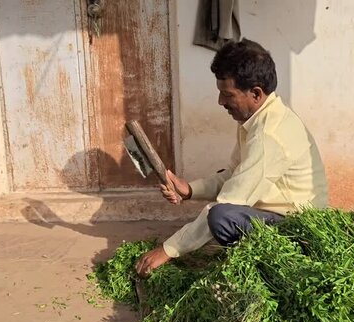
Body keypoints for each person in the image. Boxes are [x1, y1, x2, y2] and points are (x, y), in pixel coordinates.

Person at [135, 39, 328, 277]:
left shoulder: (270, 135)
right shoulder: (255, 120)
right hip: (277, 215)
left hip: (299, 230)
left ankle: (268, 269)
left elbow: (230, 200)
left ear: (255, 93)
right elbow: (234, 175)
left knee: (221, 216)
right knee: (223, 212)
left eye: (227, 94)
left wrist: (168, 250)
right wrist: (190, 190)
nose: (221, 102)